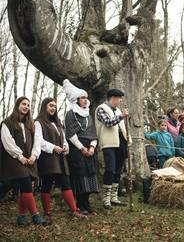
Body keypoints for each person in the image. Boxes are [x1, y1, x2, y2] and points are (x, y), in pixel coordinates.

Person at [34, 97, 85, 221]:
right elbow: (38, 140)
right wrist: (53, 147)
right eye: (51, 106)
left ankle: (74, 210)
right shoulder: (38, 122)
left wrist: (66, 147)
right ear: (44, 107)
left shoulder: (58, 123)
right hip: (47, 158)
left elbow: (64, 138)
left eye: (55, 106)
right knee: (46, 185)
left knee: (66, 184)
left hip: (61, 159)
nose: (53, 108)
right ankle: (47, 213)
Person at [0, 97, 47, 225]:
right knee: (26, 184)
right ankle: (36, 216)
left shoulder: (30, 124)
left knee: (25, 186)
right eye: (23, 104)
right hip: (14, 160)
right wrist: (20, 156)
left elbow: (37, 141)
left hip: (29, 160)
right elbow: (8, 142)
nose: (26, 106)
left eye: (28, 104)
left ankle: (21, 217)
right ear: (17, 105)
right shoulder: (7, 123)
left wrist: (34, 156)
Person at [63, 79, 99, 215]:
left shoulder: (88, 115)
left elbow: (93, 133)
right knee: (80, 176)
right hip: (77, 149)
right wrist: (82, 148)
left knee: (90, 175)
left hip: (90, 149)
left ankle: (87, 202)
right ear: (76, 99)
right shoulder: (70, 114)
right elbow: (71, 134)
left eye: (86, 98)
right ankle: (80, 204)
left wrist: (92, 147)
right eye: (82, 98)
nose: (85, 100)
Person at [95, 88, 129, 209]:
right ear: (113, 98)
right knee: (110, 169)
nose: (119, 101)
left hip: (121, 143)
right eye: (118, 99)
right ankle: (106, 199)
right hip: (108, 143)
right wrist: (121, 116)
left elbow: (122, 128)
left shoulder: (118, 110)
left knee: (118, 170)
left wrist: (127, 139)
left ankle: (114, 197)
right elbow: (108, 123)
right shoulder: (101, 109)